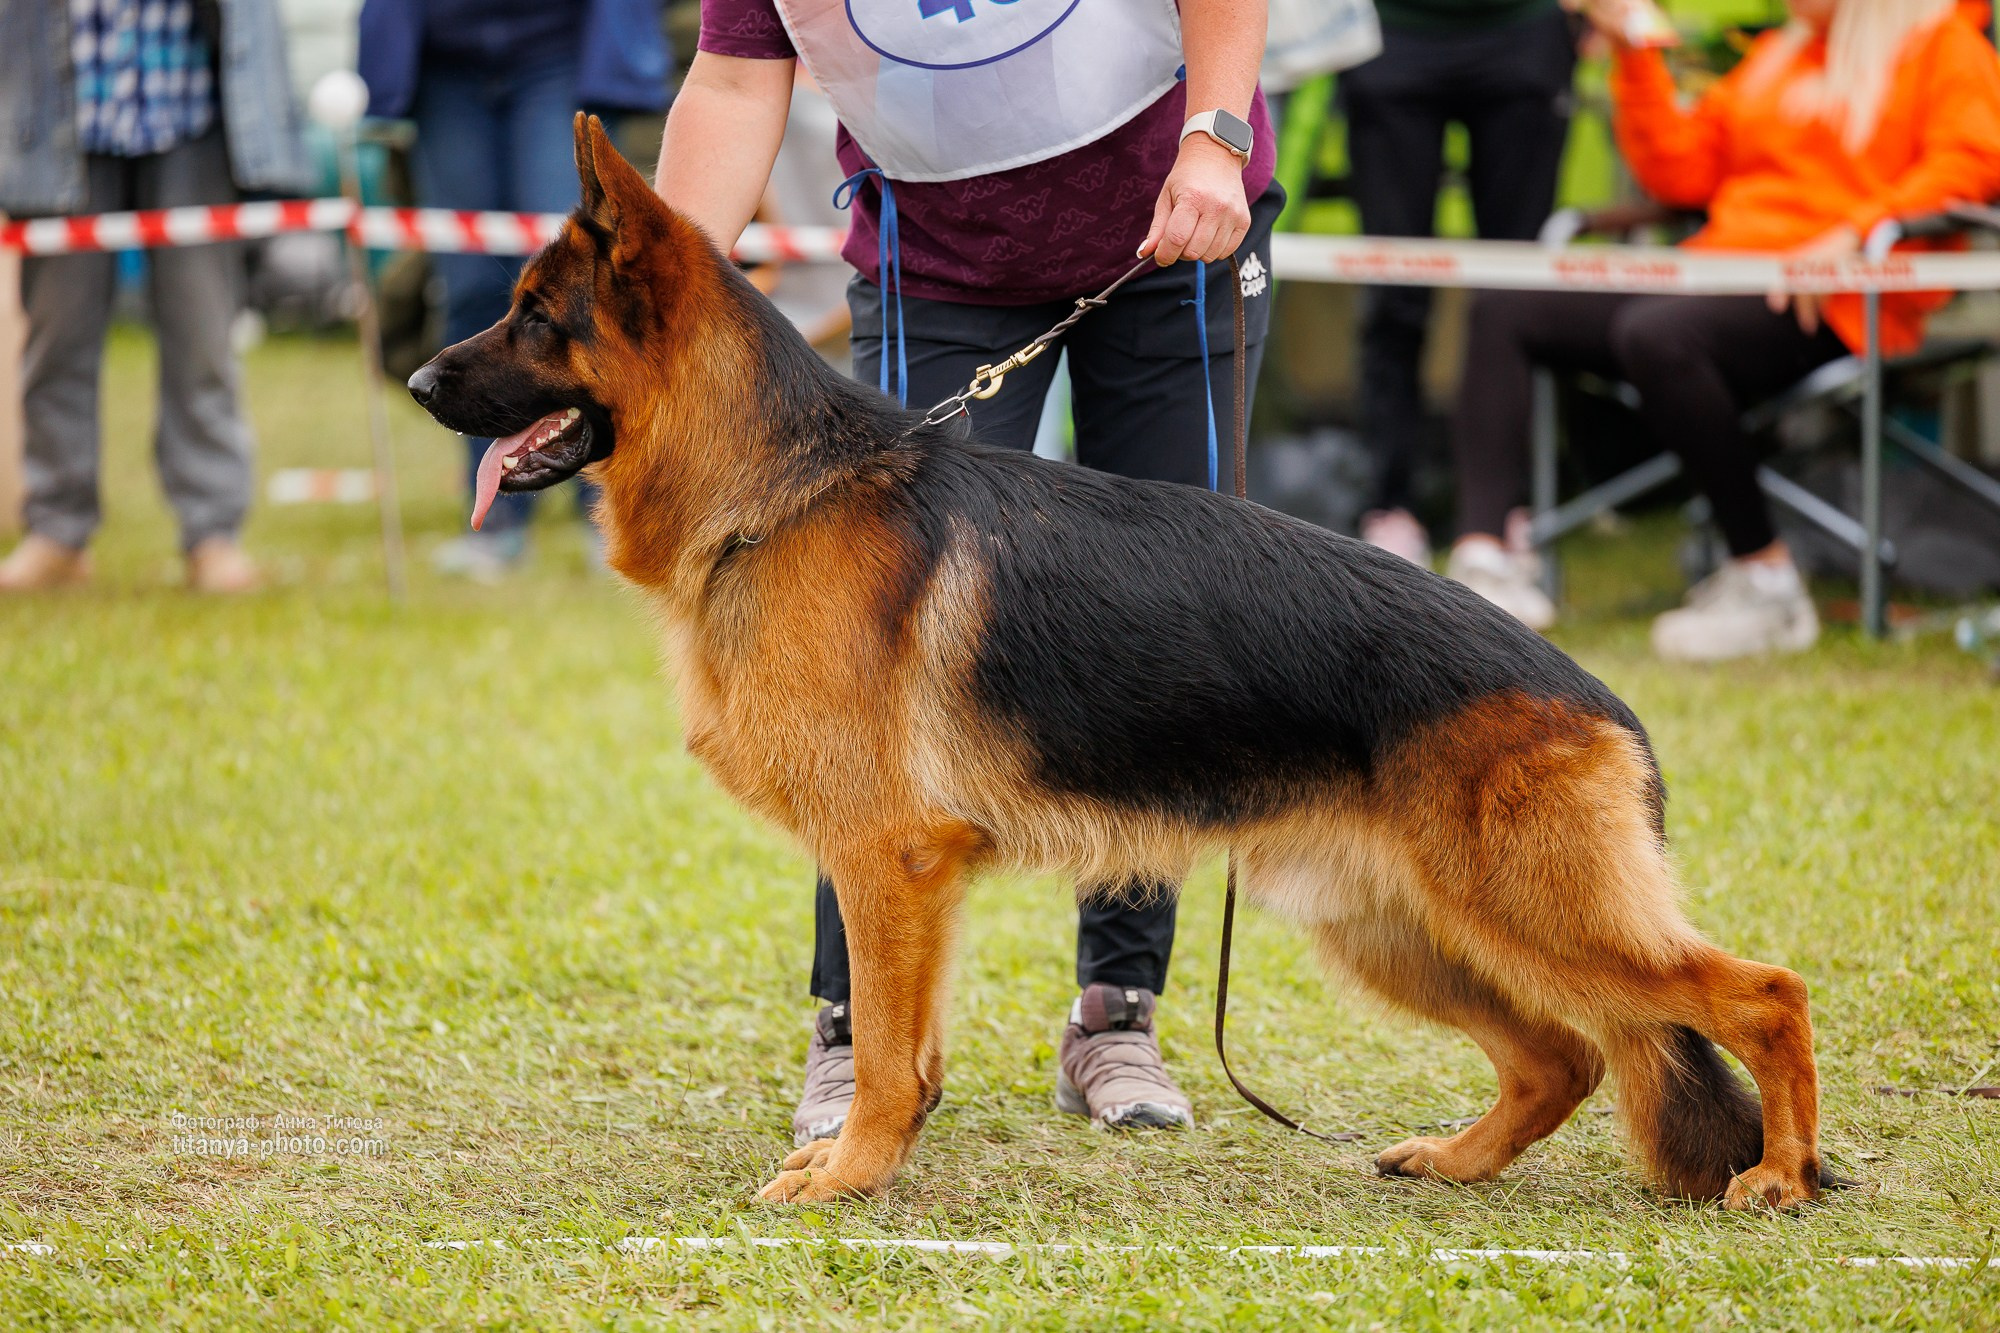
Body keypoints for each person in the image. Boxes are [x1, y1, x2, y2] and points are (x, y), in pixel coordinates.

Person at [656, 0, 1279, 1145]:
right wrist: (654, 282)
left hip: (1176, 216)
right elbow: (737, 81)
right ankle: (855, 1036)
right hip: (933, 260)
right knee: (854, 663)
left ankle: (1117, 1012)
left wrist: (1216, 135)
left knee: (1161, 628)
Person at [1444, 0, 2000, 659]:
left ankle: (1764, 577)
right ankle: (1485, 564)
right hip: (1716, 274)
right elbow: (1680, 171)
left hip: (1840, 300)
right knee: (1509, 301)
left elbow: (1972, 163)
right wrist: (1634, 54)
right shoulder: (1776, 56)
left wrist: (1853, 233)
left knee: (1661, 334)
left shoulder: (1945, 47)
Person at [0, 0, 313, 592]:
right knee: (55, 339)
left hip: (189, 104)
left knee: (203, 338)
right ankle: (56, 533)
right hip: (55, 113)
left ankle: (212, 534)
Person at [357, 0, 671, 579]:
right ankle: (494, 519)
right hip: (444, 64)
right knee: (471, 290)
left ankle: (602, 517)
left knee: (569, 296)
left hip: (556, 52)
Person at [1338, 0, 1581, 566]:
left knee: (1516, 299)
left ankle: (1503, 513)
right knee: (1394, 296)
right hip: (1390, 34)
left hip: (1523, 33)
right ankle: (1391, 506)